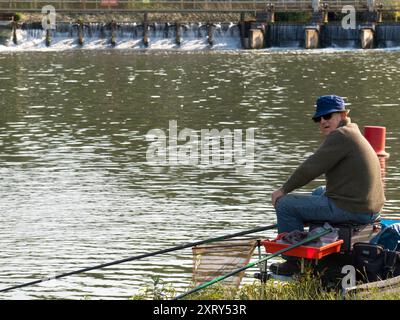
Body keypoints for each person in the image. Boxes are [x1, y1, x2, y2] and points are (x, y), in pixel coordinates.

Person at [270, 95, 386, 275]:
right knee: (319, 191)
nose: (323, 121)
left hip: (355, 209)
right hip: (369, 207)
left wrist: (283, 190)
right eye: (319, 118)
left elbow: (310, 168)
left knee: (285, 205)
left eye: (327, 116)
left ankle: (294, 264)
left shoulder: (340, 136)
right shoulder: (351, 131)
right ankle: (307, 238)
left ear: (342, 114)